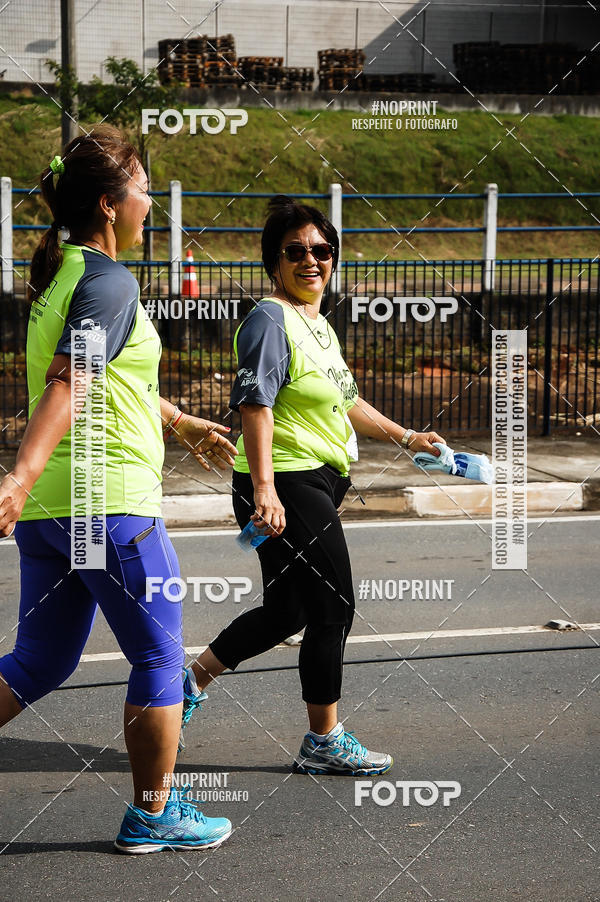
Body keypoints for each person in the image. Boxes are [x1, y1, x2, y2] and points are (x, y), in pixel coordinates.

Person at [0, 126, 238, 852]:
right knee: (161, 659)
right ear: (109, 204)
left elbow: (110, 378)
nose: (149, 204)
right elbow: (72, 382)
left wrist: (180, 420)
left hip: (58, 515)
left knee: (39, 662)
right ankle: (154, 815)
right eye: (142, 190)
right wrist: (17, 475)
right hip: (110, 506)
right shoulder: (110, 281)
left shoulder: (61, 278)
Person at [178, 195, 446, 775]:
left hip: (314, 482)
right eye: (295, 251)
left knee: (287, 611)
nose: (310, 261)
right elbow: (255, 406)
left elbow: (347, 401)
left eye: (321, 250)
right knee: (334, 605)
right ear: (273, 262)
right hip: (287, 482)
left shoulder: (316, 324)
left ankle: (188, 683)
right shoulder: (270, 320)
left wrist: (407, 436)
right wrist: (266, 490)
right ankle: (323, 739)